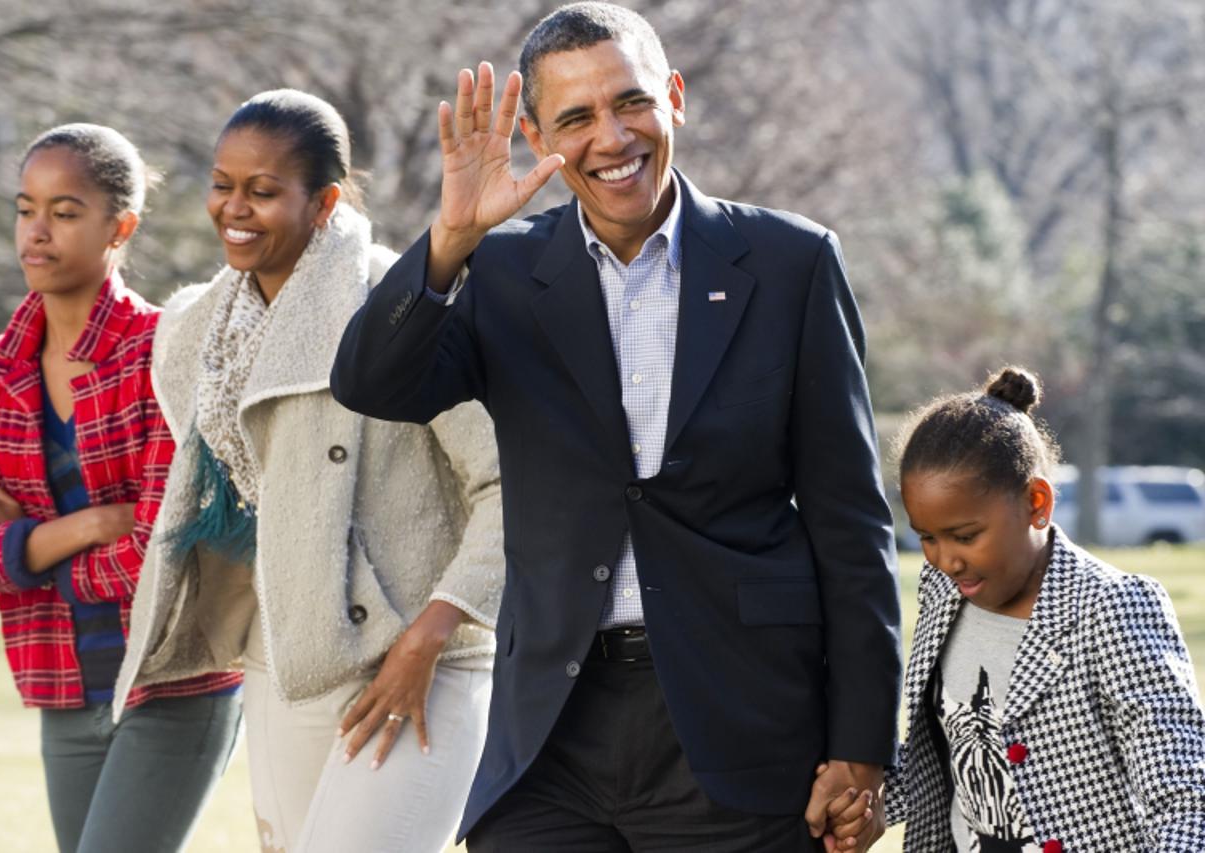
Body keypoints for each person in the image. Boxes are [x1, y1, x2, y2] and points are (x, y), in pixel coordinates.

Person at [330, 3, 901, 849]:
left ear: (674, 95)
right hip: (551, 736)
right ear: (535, 134)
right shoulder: (501, 267)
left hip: (738, 726)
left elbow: (851, 522)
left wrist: (860, 746)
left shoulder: (792, 263)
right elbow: (373, 382)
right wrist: (451, 237)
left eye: (630, 102)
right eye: (575, 118)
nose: (611, 137)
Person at [113, 89, 504, 853]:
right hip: (287, 654)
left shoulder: (408, 302)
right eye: (223, 184)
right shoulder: (196, 333)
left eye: (263, 191)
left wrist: (429, 635)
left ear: (324, 202)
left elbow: (509, 484)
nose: (234, 207)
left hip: (427, 658)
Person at [0, 124, 242, 853]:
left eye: (65, 212)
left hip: (174, 680)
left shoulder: (164, 354)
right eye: (25, 208)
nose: (36, 232)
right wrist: (86, 526)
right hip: (61, 684)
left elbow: (159, 555)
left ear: (121, 226)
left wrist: (26, 551)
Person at [828, 367, 1205, 851]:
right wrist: (865, 803)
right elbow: (949, 753)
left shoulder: (1113, 606)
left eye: (965, 536)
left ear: (1036, 502)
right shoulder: (944, 592)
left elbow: (1183, 795)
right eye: (927, 538)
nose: (946, 559)